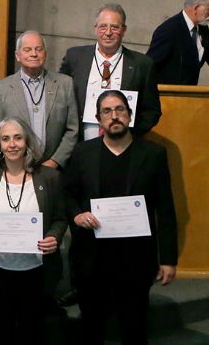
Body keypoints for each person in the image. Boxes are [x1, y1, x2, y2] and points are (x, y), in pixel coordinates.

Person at [63, 90, 177, 344]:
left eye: (120, 110)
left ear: (129, 115)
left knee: (134, 327)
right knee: (92, 328)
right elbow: (67, 193)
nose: (114, 116)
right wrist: (77, 215)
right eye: (107, 111)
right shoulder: (83, 153)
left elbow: (166, 209)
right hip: (92, 258)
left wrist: (168, 259)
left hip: (135, 259)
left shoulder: (154, 155)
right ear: (98, 119)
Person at [0, 118, 66, 344]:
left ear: (27, 142)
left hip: (36, 271)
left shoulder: (49, 177)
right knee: (1, 330)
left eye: (18, 138)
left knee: (32, 331)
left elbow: (60, 218)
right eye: (5, 139)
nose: (12, 144)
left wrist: (54, 236)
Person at [60, 3, 161, 140]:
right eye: (103, 27)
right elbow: (60, 100)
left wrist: (129, 135)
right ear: (95, 29)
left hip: (123, 147)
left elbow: (152, 111)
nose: (108, 32)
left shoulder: (142, 64)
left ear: (124, 30)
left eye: (114, 27)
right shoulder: (75, 57)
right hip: (79, 147)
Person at [0, 31, 78, 169]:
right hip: (16, 169)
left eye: (38, 49)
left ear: (45, 54)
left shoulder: (65, 84)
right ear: (18, 56)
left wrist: (55, 161)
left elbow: (72, 129)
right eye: (27, 50)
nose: (34, 54)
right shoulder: (0, 90)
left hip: (54, 170)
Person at [147, 0, 209, 86]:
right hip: (168, 96)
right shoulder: (169, 30)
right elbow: (150, 64)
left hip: (189, 96)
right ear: (196, 8)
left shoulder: (203, 29)